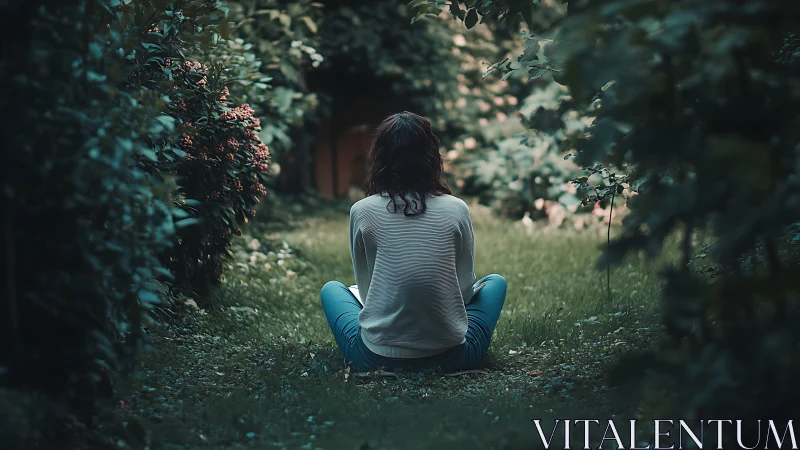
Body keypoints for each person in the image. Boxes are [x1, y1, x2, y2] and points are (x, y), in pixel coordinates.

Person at [319, 111, 507, 373]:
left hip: (374, 358)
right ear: (432, 156)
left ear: (379, 156)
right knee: (495, 282)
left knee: (331, 289)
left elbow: (366, 288)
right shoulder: (457, 209)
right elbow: (464, 293)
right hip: (453, 356)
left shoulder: (361, 211)